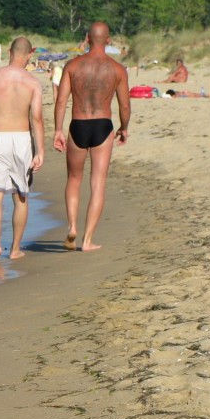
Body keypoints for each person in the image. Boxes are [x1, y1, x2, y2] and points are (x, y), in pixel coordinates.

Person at [53, 21, 130, 252]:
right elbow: (124, 106)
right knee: (98, 183)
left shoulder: (73, 65)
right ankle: (87, 240)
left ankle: (73, 227)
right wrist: (124, 127)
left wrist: (58, 129)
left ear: (87, 38)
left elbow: (61, 101)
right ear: (108, 40)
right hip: (103, 126)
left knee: (74, 179)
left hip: (78, 124)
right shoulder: (117, 69)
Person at [0, 37, 45, 263]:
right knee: (20, 196)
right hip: (22, 138)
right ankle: (14, 249)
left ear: (9, 52)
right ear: (29, 55)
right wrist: (40, 150)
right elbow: (37, 118)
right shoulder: (33, 82)